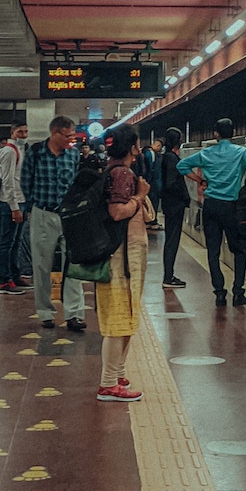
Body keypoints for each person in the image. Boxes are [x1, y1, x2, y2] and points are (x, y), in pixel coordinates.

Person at [176, 118, 246, 307]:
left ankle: (220, 293)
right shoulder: (241, 152)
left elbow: (181, 166)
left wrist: (200, 180)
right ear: (233, 132)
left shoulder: (206, 153)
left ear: (216, 134)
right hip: (232, 206)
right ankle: (238, 292)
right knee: (239, 250)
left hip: (211, 206)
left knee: (213, 251)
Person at [94, 125, 151, 402]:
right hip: (122, 255)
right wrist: (140, 196)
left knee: (124, 317)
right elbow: (117, 212)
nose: (139, 149)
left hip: (120, 252)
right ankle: (108, 384)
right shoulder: (122, 174)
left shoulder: (110, 171)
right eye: (137, 144)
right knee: (118, 318)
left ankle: (116, 374)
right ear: (131, 148)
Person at [21, 115, 85, 331]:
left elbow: (76, 183)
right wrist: (32, 207)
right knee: (41, 264)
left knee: (74, 263)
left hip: (68, 215)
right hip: (42, 213)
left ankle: (74, 314)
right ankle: (45, 312)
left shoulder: (74, 155)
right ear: (54, 133)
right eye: (67, 136)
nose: (71, 140)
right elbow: (25, 181)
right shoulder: (36, 153)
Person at [0, 121, 29, 294]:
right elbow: (7, 180)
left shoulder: (21, 150)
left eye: (25, 132)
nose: (24, 135)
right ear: (12, 132)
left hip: (21, 200)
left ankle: (15, 275)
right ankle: (4, 281)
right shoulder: (8, 151)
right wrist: (14, 207)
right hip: (11, 202)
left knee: (17, 242)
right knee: (7, 242)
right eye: (20, 132)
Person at [159, 127, 189, 289]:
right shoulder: (171, 158)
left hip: (169, 203)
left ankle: (169, 275)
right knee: (172, 240)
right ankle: (168, 276)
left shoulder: (167, 157)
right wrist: (184, 196)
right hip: (174, 205)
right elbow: (171, 182)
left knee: (171, 239)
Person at [146, 138, 164, 230]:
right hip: (153, 184)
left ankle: (150, 220)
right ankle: (152, 221)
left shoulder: (149, 153)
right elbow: (151, 170)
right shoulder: (151, 154)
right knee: (153, 202)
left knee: (151, 203)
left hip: (151, 183)